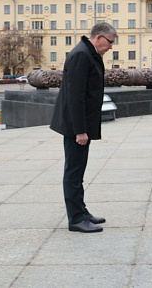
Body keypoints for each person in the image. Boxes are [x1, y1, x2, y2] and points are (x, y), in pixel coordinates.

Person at [50, 22, 117, 233]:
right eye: (110, 42)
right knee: (74, 171)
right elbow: (75, 96)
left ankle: (82, 211)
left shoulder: (88, 52)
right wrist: (80, 130)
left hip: (80, 124)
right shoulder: (81, 55)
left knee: (78, 171)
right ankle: (76, 219)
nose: (111, 47)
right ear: (98, 37)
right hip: (75, 126)